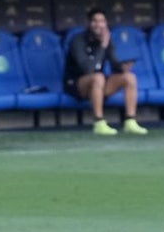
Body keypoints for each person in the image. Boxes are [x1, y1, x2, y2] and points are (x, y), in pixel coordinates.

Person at [63, 8, 149, 136]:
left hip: (99, 85)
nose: (99, 25)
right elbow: (87, 69)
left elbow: (114, 65)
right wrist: (103, 46)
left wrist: (122, 68)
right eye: (95, 21)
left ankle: (130, 121)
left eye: (102, 21)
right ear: (89, 23)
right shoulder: (78, 40)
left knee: (129, 78)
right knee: (98, 77)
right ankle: (99, 122)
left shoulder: (106, 40)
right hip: (77, 85)